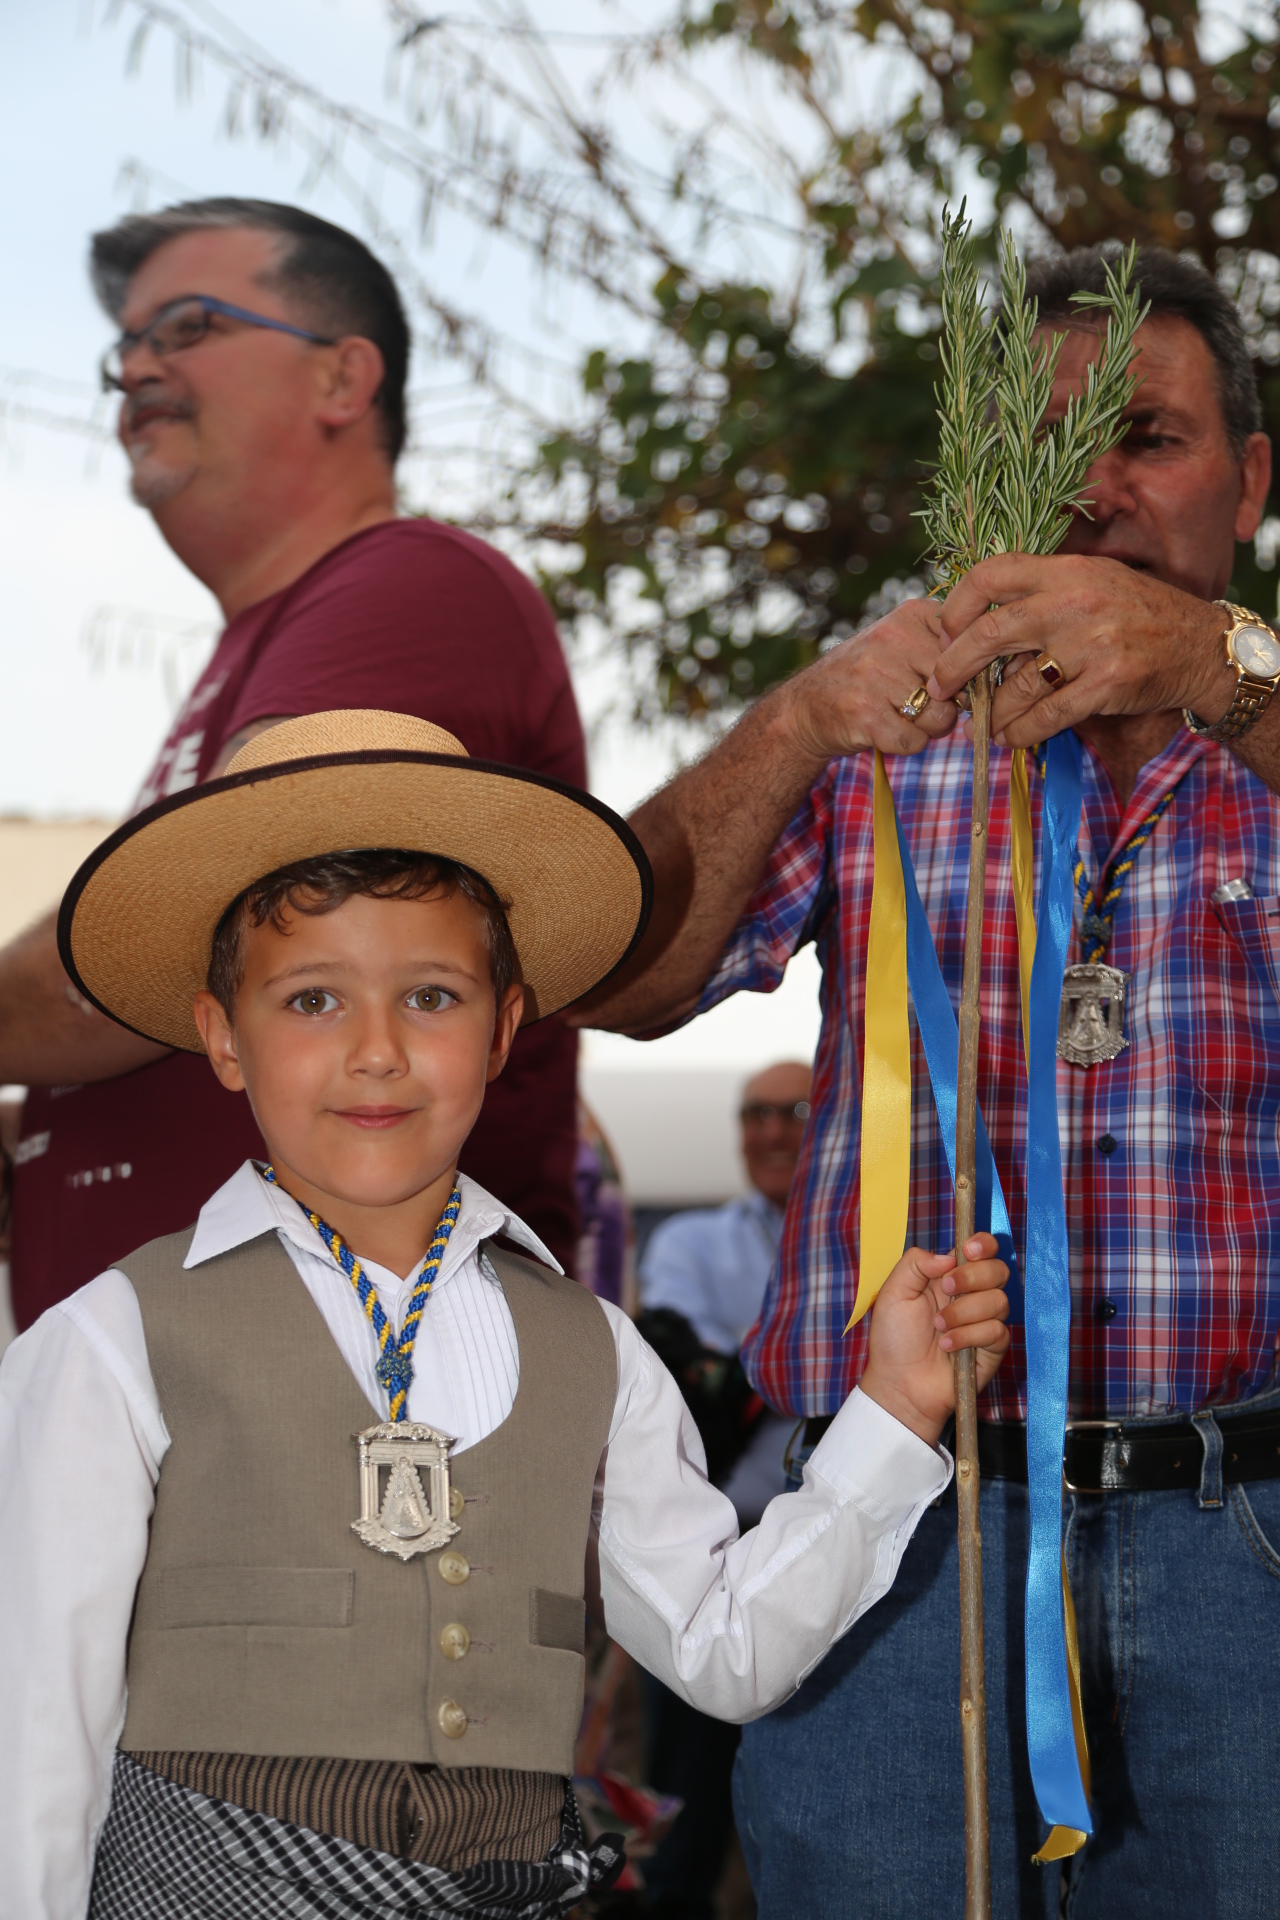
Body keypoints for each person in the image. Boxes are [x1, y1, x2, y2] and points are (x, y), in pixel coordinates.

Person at [0, 708, 1010, 1920]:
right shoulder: (112, 1340)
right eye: (312, 1001)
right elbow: (35, 1746)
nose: (376, 1053)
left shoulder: (596, 1352)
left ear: (503, 1030)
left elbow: (724, 1653)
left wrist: (893, 1410)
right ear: (223, 1036)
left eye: (430, 996)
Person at [573, 245, 1280, 1920]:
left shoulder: (1262, 718)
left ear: (1253, 479)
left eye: (1153, 436)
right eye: (1049, 439)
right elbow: (634, 970)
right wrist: (803, 716)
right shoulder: (881, 733)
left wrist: (1218, 666)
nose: (1095, 484)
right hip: (891, 1540)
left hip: (1241, 1538)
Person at [2, 198, 588, 1314]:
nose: (135, 370)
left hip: (362, 1411)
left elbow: (115, 962)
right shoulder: (273, 635)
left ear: (341, 379)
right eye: (123, 346)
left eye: (184, 327)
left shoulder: (405, 582)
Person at [633, 1059, 812, 1920]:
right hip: (717, 1549)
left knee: (834, 1798)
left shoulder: (887, 1237)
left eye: (796, 1110)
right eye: (755, 1113)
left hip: (861, 1554)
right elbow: (685, 1383)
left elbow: (731, 1376)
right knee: (685, 1799)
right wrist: (834, 1360)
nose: (772, 1130)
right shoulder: (689, 1241)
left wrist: (749, 1369)